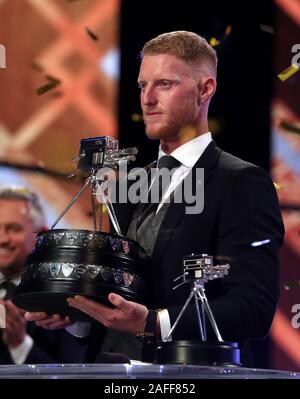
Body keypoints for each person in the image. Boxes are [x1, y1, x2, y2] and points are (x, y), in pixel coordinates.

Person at [26, 31, 284, 365]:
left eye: (164, 84)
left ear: (205, 89)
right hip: (110, 376)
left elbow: (253, 309)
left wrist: (152, 323)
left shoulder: (241, 183)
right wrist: (75, 315)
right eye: (142, 85)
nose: (147, 99)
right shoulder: (128, 185)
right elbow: (120, 299)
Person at [0, 186, 87, 364]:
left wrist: (20, 345)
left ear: (42, 235)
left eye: (14, 229)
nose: (2, 239)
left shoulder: (65, 297)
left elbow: (71, 372)